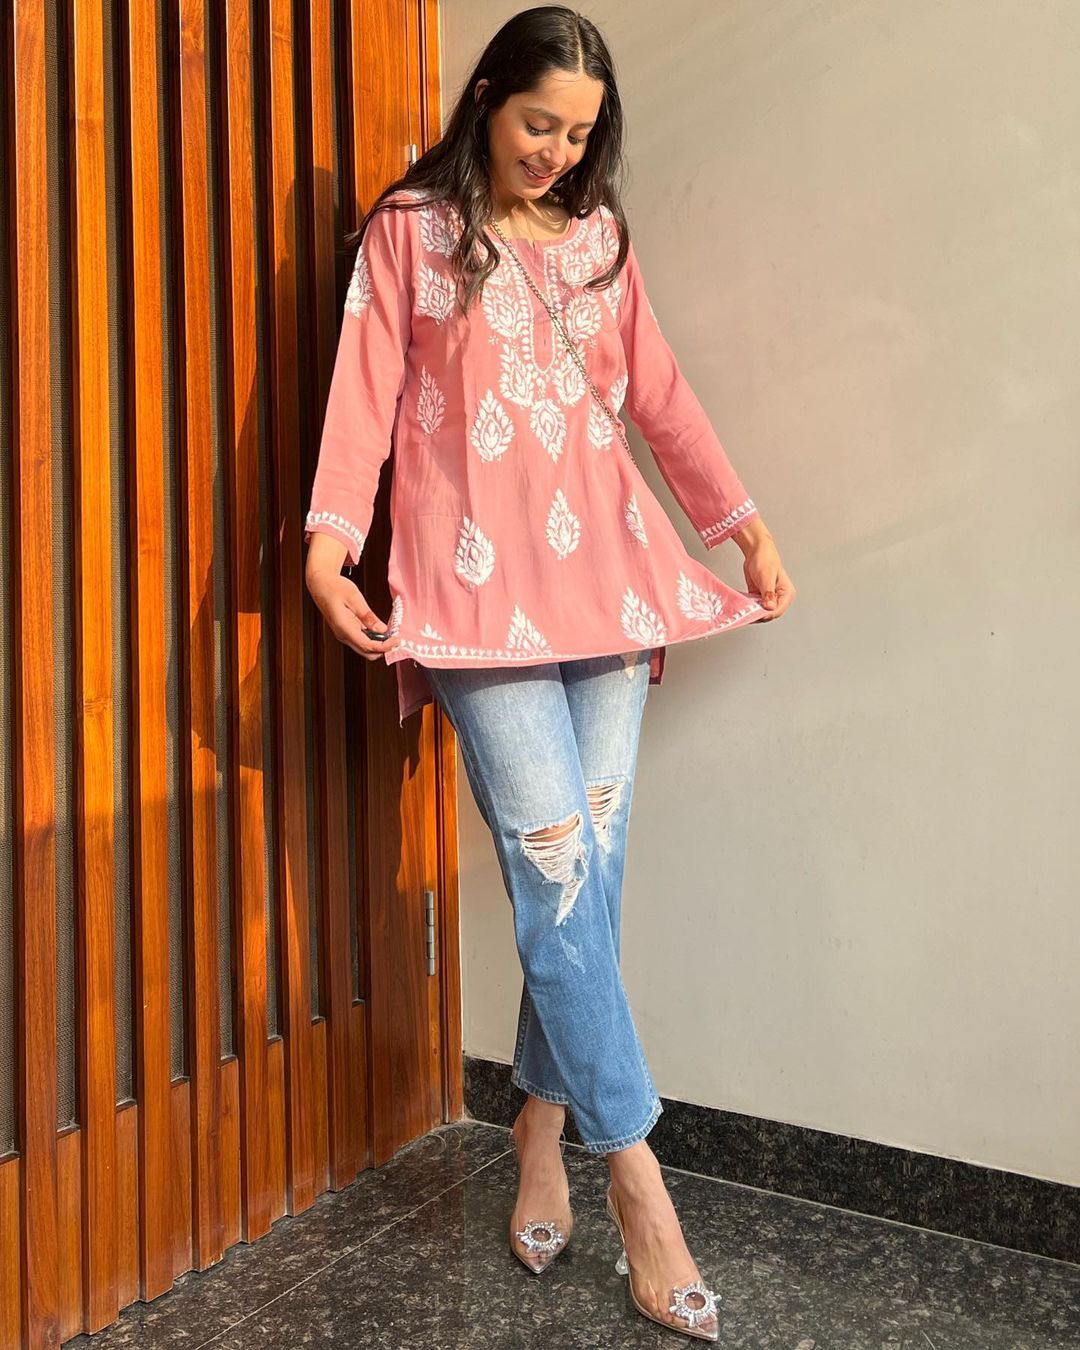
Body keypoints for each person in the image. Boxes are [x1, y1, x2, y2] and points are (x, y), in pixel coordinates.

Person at [304, 5, 794, 1340]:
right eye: (538, 124)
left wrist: (740, 525)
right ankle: (639, 1179)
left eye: (579, 134)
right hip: (472, 602)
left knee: (592, 867)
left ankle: (537, 1119)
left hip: (607, 592)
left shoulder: (598, 239)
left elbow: (659, 395)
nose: (556, 153)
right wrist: (329, 549)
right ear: (487, 99)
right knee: (557, 865)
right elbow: (362, 396)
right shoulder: (412, 233)